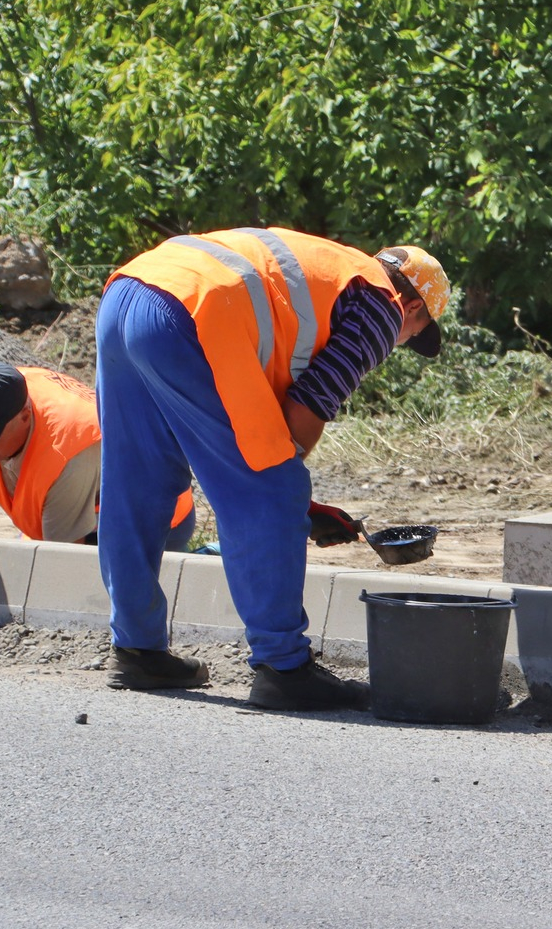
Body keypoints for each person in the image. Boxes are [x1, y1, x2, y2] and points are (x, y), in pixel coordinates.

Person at [93, 227, 450, 708]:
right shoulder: (380, 304)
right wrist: (292, 503)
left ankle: (137, 650)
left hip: (130, 292)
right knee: (272, 491)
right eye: (415, 334)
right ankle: (284, 668)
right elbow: (301, 421)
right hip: (194, 312)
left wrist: (300, 501)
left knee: (138, 482)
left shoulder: (336, 267)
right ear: (410, 308)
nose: (402, 342)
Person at [0, 361, 196, 549]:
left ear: (24, 418)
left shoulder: (68, 451)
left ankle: (206, 559)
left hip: (152, 521)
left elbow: (62, 561)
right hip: (67, 510)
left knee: (102, 601)